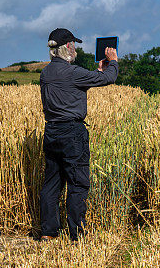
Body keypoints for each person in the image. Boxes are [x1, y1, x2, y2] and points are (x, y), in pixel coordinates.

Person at [38, 28, 119, 242]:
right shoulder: (73, 73)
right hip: (72, 133)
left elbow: (73, 85)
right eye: (73, 45)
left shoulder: (45, 73)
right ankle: (77, 234)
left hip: (51, 131)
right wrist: (113, 62)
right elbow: (109, 79)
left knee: (52, 183)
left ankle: (48, 231)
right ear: (66, 47)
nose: (75, 49)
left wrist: (98, 71)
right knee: (78, 183)